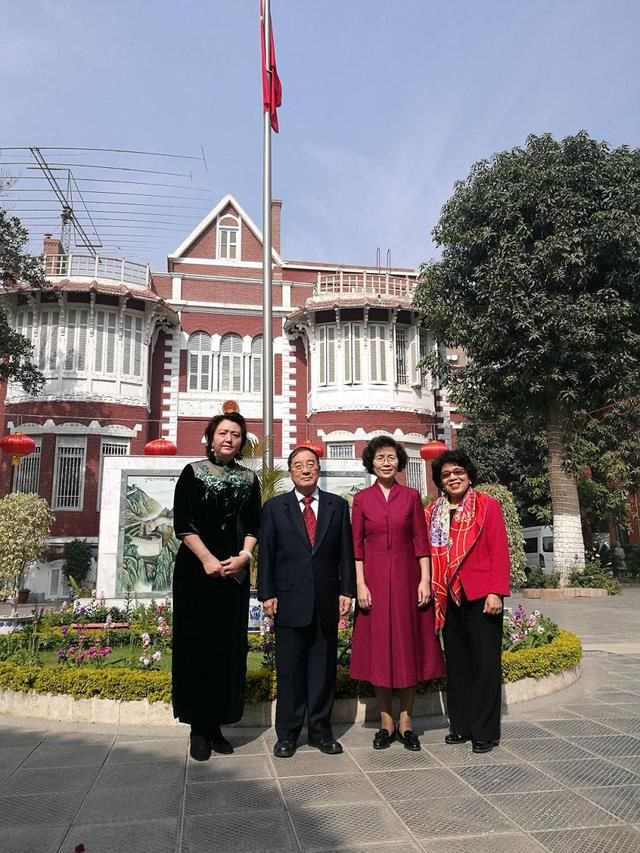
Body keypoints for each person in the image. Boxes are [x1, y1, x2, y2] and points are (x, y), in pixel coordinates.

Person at [172, 411, 261, 761]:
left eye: (236, 434)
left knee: (228, 647)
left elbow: (254, 523)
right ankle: (198, 727)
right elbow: (183, 522)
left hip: (233, 573)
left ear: (241, 441)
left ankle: (217, 725)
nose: (229, 439)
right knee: (197, 646)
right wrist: (207, 558)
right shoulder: (192, 472)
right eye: (223, 433)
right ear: (211, 436)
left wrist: (244, 557)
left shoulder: (249, 478)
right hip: (197, 572)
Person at [258, 446, 355, 758]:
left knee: (322, 671)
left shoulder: (337, 506)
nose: (305, 469)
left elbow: (345, 553)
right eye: (298, 465)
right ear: (290, 472)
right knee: (290, 671)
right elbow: (267, 554)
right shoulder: (276, 508)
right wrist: (267, 593)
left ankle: (320, 732)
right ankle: (287, 734)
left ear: (318, 469)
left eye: (310, 464)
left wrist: (347, 591)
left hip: (327, 600)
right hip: (288, 600)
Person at [349, 436, 446, 751]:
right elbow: (357, 546)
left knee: (408, 648)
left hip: (408, 579)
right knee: (380, 651)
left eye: (391, 457)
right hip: (374, 581)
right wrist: (360, 584)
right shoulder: (362, 499)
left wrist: (425, 580)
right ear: (371, 463)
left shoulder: (411, 497)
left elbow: (421, 541)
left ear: (400, 461)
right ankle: (385, 721)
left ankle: (406, 720)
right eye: (380, 457)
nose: (386, 462)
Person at [426, 449, 510, 754]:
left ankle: (485, 732)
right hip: (447, 596)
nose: (453, 478)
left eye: (458, 472)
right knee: (458, 665)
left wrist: (495, 591)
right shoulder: (432, 513)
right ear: (440, 482)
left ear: (469, 475)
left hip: (480, 595)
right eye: (446, 475)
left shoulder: (487, 506)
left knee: (485, 664)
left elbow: (499, 550)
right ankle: (460, 726)